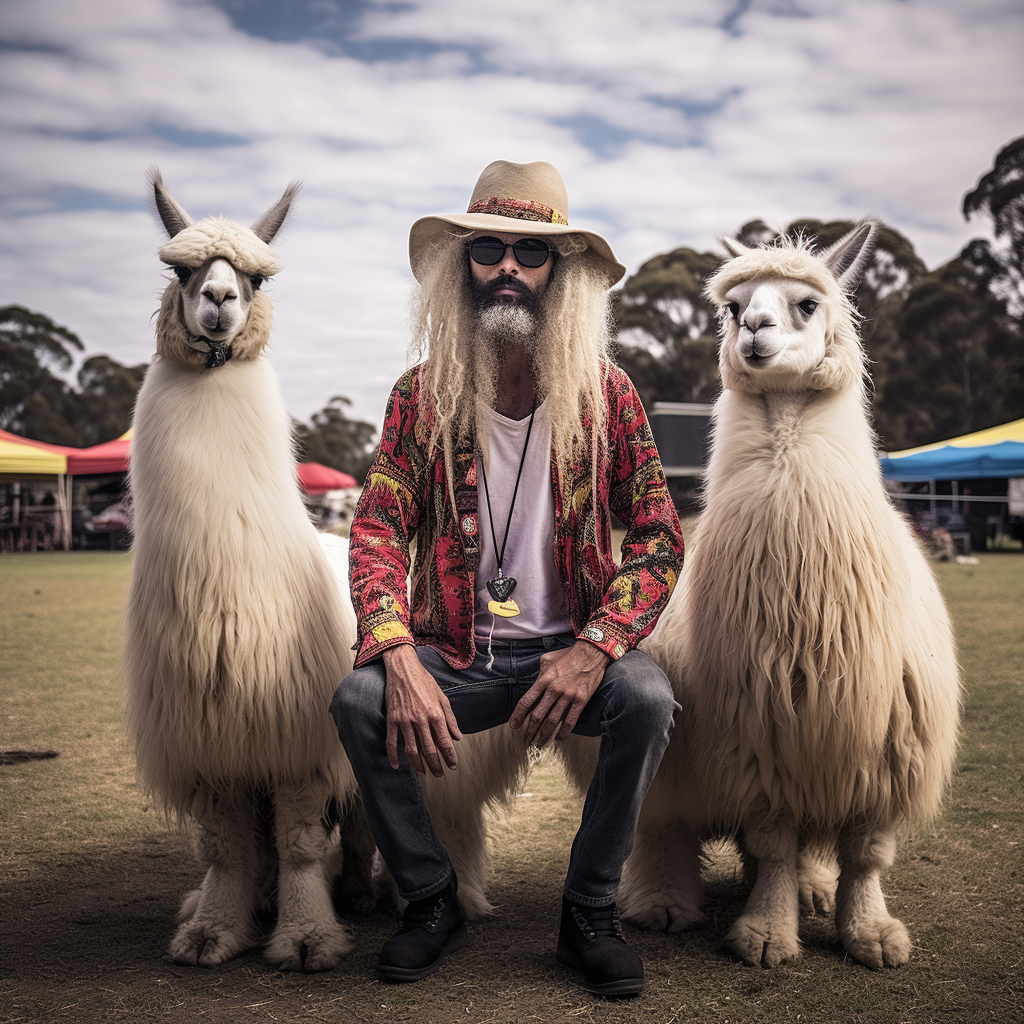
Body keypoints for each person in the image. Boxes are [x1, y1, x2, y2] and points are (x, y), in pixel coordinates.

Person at [330, 160, 684, 995]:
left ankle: (588, 911)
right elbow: (378, 525)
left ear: (559, 274)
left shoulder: (609, 397)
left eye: (532, 254)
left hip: (571, 650)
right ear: (464, 265)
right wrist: (398, 655)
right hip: (454, 653)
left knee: (647, 698)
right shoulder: (421, 397)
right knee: (357, 701)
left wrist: (597, 649)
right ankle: (429, 898)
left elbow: (661, 536)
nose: (508, 270)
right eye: (488, 248)